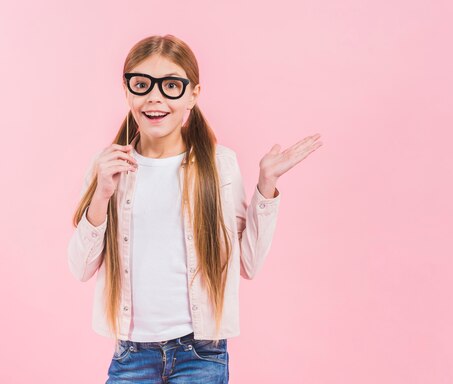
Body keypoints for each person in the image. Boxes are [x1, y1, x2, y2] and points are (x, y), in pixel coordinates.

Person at [67, 34, 323, 383]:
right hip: (131, 355)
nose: (154, 98)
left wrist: (267, 185)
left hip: (201, 354)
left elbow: (248, 264)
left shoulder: (219, 165)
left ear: (192, 94)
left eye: (171, 85)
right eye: (142, 84)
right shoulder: (108, 165)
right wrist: (102, 194)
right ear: (127, 90)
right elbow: (81, 268)